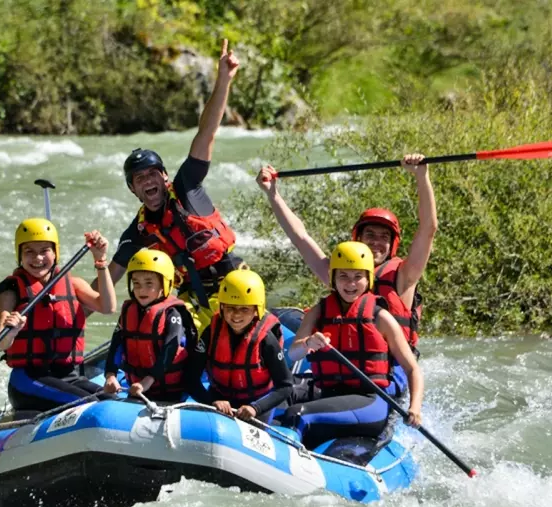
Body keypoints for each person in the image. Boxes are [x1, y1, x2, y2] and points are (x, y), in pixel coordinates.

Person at [98, 39, 243, 333]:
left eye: (153, 174)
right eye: (140, 178)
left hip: (234, 286)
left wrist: (223, 80)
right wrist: (67, 315)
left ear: (165, 177)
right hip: (193, 299)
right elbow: (108, 281)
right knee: (165, 322)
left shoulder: (187, 187)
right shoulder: (137, 233)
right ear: (133, 189)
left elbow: (207, 132)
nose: (148, 181)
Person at [255, 155, 437, 389]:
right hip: (346, 363)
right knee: (277, 317)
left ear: (392, 244)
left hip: (389, 369)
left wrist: (422, 177)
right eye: (370, 235)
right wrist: (272, 194)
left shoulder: (404, 275)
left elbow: (428, 229)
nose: (376, 242)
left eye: (384, 237)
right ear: (358, 239)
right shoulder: (341, 272)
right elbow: (300, 237)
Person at [281, 242, 424, 449]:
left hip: (369, 401)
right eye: (343, 276)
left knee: (297, 414)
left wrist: (415, 408)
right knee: (276, 391)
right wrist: (308, 343)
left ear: (368, 279)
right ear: (333, 278)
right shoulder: (319, 311)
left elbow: (412, 369)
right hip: (329, 392)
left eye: (358, 276)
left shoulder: (381, 318)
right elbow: (293, 354)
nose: (351, 283)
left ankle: (285, 451)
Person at [0, 218, 116, 412]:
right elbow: (1, 343)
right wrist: (11, 331)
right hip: (28, 381)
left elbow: (108, 307)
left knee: (113, 401)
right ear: (19, 255)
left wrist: (100, 261)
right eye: (29, 251)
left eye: (45, 250)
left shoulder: (72, 283)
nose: (38, 258)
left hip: (70, 376)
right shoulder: (11, 289)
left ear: (55, 253)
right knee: (93, 407)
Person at [185, 270, 293, 422]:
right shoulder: (212, 332)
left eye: (244, 309)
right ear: (222, 307)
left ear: (256, 310)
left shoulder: (266, 340)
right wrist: (211, 401)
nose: (236, 315)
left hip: (256, 406)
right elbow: (190, 378)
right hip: (218, 402)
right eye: (230, 308)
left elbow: (285, 386)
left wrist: (255, 408)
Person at [102, 248, 198, 403]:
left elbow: (170, 350)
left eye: (149, 284)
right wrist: (110, 374)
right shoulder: (128, 311)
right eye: (136, 283)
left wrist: (148, 380)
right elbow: (116, 345)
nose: (141, 290)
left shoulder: (173, 314)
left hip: (170, 392)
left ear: (164, 284)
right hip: (138, 389)